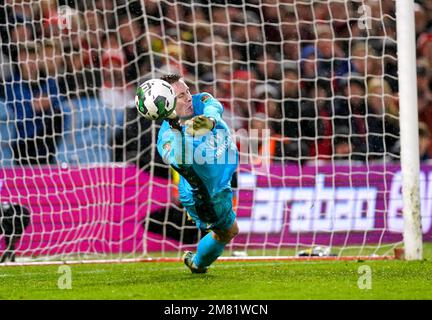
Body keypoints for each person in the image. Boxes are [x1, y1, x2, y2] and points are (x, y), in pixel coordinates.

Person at [154, 73, 239, 273]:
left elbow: (215, 108)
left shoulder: (201, 102)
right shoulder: (167, 137)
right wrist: (179, 133)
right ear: (168, 105)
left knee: (229, 231)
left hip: (220, 179)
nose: (189, 97)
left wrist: (208, 121)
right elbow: (181, 163)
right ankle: (198, 264)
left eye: (188, 91)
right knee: (227, 232)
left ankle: (197, 262)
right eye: (181, 96)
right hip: (202, 193)